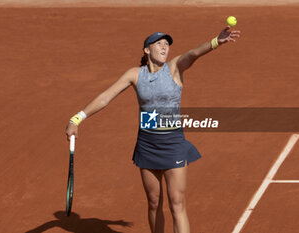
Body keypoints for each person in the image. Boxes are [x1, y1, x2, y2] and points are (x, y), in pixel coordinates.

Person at [65, 26, 240, 233]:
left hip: (173, 144)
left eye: (167, 44)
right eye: (160, 44)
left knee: (177, 203)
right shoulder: (135, 74)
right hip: (147, 144)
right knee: (154, 202)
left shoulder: (174, 68)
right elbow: (106, 97)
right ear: (147, 50)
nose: (165, 47)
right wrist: (77, 118)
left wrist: (215, 42)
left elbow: (193, 54)